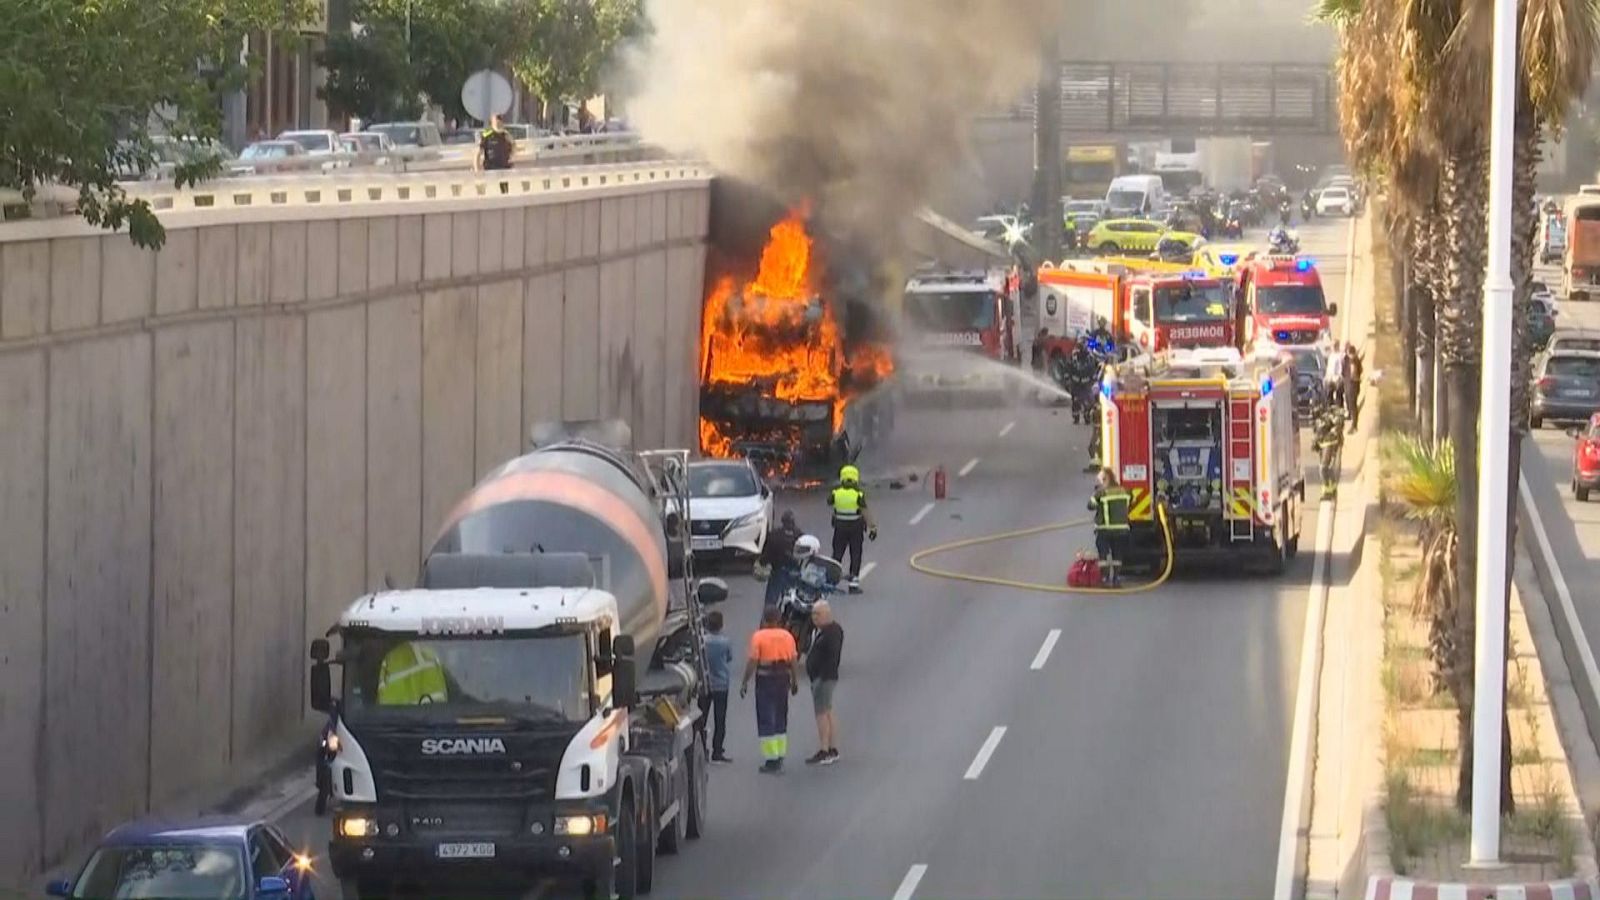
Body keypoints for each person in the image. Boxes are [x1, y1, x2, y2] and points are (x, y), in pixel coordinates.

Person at [739, 607, 799, 774]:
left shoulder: (759, 636)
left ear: (765, 620)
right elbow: (793, 660)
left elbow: (753, 661)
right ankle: (780, 754)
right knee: (781, 715)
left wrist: (745, 682)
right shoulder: (787, 636)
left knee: (766, 716)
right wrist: (794, 681)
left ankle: (771, 759)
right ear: (779, 619)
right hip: (782, 677)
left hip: (765, 678)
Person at [804, 601, 844, 766]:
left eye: (817, 614)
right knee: (827, 711)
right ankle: (832, 748)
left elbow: (832, 657)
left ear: (827, 614)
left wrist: (821, 678)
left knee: (821, 713)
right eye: (813, 613)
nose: (814, 617)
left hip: (824, 678)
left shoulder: (832, 633)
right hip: (821, 678)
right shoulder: (822, 631)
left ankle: (825, 749)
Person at [827, 465, 877, 592]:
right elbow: (865, 511)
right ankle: (853, 585)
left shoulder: (836, 493)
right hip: (856, 528)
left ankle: (831, 582)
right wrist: (873, 528)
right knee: (855, 555)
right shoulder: (858, 494)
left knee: (837, 555)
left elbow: (830, 503)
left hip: (840, 528)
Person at [698, 611, 734, 763]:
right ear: (721, 625)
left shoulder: (702, 641)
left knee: (702, 718)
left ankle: (701, 749)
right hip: (721, 684)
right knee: (720, 719)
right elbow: (729, 657)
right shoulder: (725, 642)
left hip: (705, 683)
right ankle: (717, 751)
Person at [1087, 468, 1132, 586]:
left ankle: (1105, 579)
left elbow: (1090, 505)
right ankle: (1116, 579)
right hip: (1122, 529)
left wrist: (1097, 494)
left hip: (1104, 529)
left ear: (1105, 479)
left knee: (1103, 555)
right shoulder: (1125, 491)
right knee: (1117, 554)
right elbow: (1131, 502)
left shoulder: (1101, 493)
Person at [759, 510, 803, 607]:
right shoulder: (800, 535)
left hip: (778, 571)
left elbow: (767, 554)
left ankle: (769, 619)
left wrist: (762, 562)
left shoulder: (775, 535)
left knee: (771, 601)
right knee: (794, 600)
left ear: (782, 522)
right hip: (795, 572)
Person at [1344, 341, 1365, 429]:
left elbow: (1353, 373)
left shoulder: (1353, 360)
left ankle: (1354, 425)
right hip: (1352, 385)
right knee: (1351, 404)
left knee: (1352, 405)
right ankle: (1353, 423)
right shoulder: (1355, 360)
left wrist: (1354, 378)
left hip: (1352, 386)